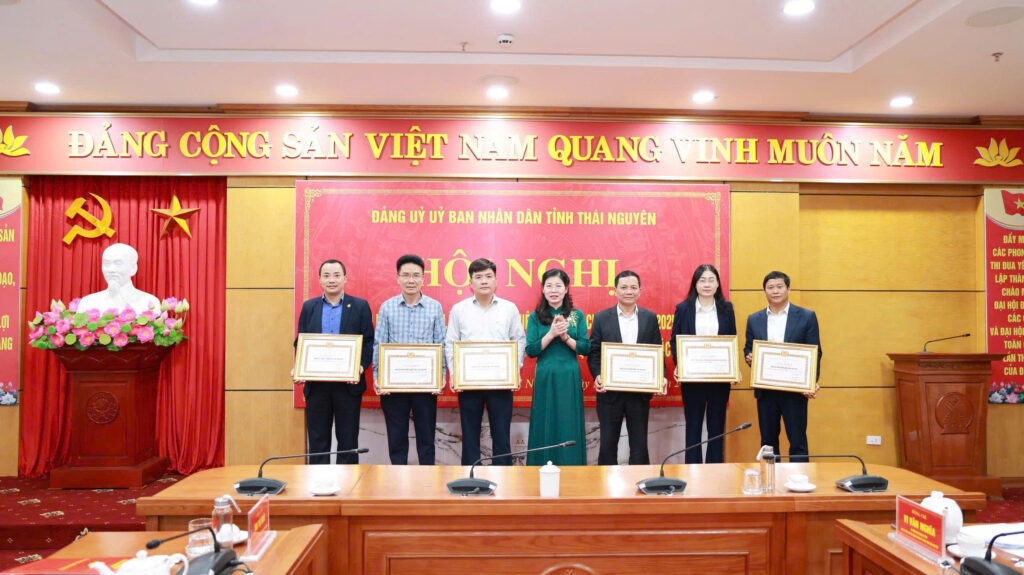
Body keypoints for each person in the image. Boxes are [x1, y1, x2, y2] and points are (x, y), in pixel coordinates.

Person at [445, 258, 526, 466]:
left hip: (501, 382)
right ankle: (471, 476)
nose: (484, 281)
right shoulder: (459, 309)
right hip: (468, 382)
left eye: (488, 276)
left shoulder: (509, 308)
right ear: (470, 283)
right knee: (470, 434)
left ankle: (503, 475)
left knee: (501, 433)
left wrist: (515, 370)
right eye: (478, 277)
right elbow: (451, 343)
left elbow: (518, 340)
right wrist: (454, 373)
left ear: (496, 281)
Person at [294, 259, 374, 464]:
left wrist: (360, 367)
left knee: (348, 441)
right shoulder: (309, 307)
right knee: (318, 441)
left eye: (337, 275)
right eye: (327, 275)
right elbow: (300, 341)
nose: (332, 280)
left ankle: (348, 483)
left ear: (345, 278)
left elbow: (368, 342)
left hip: (348, 387)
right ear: (319, 280)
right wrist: (299, 367)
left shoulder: (360, 306)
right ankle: (318, 482)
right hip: (317, 386)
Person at [372, 254, 446, 465]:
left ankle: (428, 480)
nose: (411, 280)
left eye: (416, 275)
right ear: (398, 278)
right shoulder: (387, 307)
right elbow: (379, 344)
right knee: (396, 439)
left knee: (426, 439)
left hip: (425, 385)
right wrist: (378, 376)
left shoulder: (435, 307)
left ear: (423, 278)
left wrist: (441, 376)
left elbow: (441, 344)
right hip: (394, 386)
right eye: (406, 275)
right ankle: (398, 481)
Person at [587, 270, 664, 465]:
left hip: (639, 393)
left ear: (640, 290)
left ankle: (640, 483)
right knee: (607, 445)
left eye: (633, 287)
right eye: (624, 287)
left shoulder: (649, 317)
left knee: (639, 446)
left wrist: (660, 377)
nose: (629, 291)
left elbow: (657, 350)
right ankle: (605, 484)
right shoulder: (601, 318)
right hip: (609, 393)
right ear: (615, 290)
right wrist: (597, 375)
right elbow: (594, 352)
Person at [743, 270, 822, 463]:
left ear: (788, 289)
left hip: (795, 391)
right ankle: (771, 479)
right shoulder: (754, 319)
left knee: (798, 441)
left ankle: (800, 479)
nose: (775, 291)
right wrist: (749, 356)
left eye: (779, 286)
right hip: (766, 390)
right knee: (768, 443)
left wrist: (810, 382)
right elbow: (748, 348)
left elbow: (815, 351)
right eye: (770, 287)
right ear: (764, 291)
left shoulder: (806, 316)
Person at [670, 264, 738, 464]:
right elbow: (675, 340)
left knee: (717, 428)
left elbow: (731, 339)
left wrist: (733, 368)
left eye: (711, 280)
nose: (707, 284)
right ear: (695, 284)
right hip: (692, 379)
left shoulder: (727, 309)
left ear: (718, 284)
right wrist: (680, 364)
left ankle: (714, 470)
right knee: (693, 427)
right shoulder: (683, 309)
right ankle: (692, 470)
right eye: (702, 280)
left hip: (719, 379)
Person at [525, 268, 590, 465]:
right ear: (543, 289)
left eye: (558, 286)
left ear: (566, 289)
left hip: (569, 376)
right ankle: (541, 466)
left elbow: (585, 348)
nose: (554, 290)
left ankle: (572, 467)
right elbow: (531, 350)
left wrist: (565, 337)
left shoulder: (577, 315)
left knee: (568, 421)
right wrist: (551, 334)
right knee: (545, 420)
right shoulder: (535, 317)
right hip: (545, 375)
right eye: (549, 286)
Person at [79, 243, 160, 313]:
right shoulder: (88, 303)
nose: (110, 270)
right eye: (106, 263)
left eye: (118, 263)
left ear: (133, 268)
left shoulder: (149, 303)